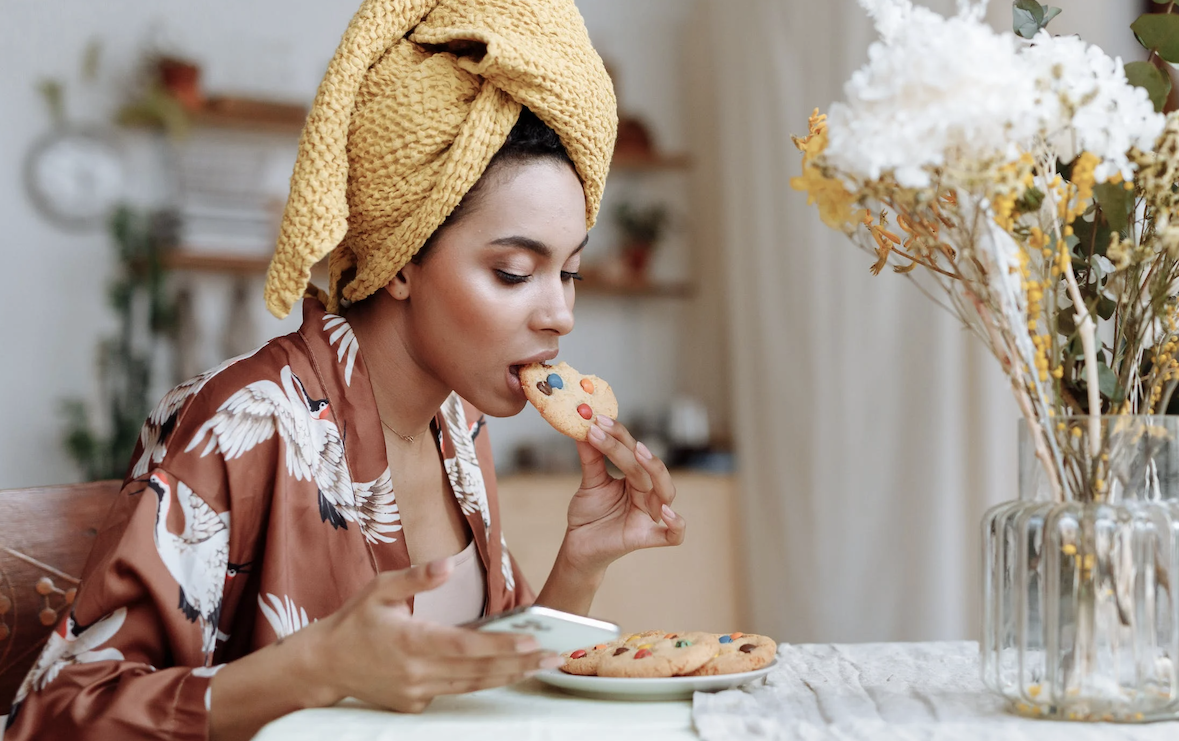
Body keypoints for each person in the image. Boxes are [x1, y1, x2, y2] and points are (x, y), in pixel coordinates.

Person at [4, 1, 686, 739]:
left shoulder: (458, 425)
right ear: (400, 263)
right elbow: (50, 717)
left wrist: (580, 564)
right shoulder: (246, 422)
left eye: (571, 272)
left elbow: (481, 700)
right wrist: (312, 667)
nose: (561, 314)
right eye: (515, 272)